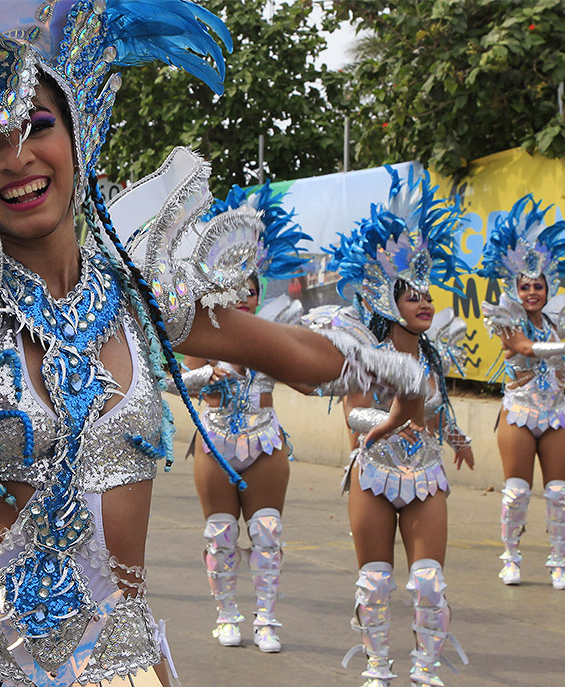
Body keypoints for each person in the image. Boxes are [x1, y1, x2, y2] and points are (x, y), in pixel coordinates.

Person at [0, 4, 429, 684]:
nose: (16, 157)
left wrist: (386, 362)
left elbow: (298, 358)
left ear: (79, 129)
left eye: (37, 126)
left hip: (119, 661)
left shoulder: (144, 297)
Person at [322, 168, 474, 687]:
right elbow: (354, 418)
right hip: (375, 474)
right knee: (375, 582)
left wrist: (456, 437)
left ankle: (427, 669)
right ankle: (378, 667)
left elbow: (437, 408)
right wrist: (387, 421)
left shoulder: (433, 356)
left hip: (425, 474)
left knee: (429, 582)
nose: (426, 302)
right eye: (413, 295)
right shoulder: (367, 356)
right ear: (388, 302)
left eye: (428, 294)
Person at [171, 185, 310, 653]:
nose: (247, 295)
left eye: (253, 287)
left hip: (266, 441)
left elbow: (310, 380)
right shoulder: (204, 333)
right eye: (238, 287)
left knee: (268, 532)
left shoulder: (276, 330)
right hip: (214, 442)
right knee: (221, 535)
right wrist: (213, 370)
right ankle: (227, 614)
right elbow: (171, 381)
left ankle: (267, 618)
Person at [477, 194, 565, 589]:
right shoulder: (508, 319)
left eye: (539, 286)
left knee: (560, 492)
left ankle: (558, 562)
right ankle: (510, 558)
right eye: (526, 286)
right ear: (516, 288)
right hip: (519, 415)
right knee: (516, 492)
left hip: (555, 411)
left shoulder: (557, 322)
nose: (532, 292)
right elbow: (525, 350)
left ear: (549, 289)